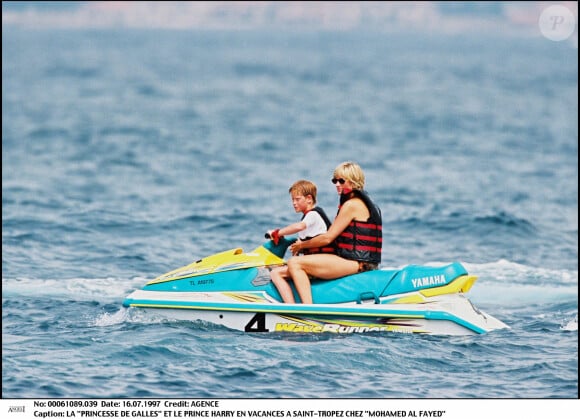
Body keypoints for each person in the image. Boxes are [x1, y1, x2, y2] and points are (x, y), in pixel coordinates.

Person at [286, 161, 382, 304]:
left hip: (358, 263)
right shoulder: (361, 202)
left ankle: (307, 310)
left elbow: (327, 238)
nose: (337, 184)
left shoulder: (351, 205)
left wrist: (302, 245)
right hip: (358, 261)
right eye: (334, 180)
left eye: (341, 181)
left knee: (295, 263)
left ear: (353, 181)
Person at [267, 180, 333, 303]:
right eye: (292, 200)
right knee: (279, 269)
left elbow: (299, 226)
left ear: (309, 199)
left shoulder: (313, 215)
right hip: (315, 262)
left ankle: (291, 308)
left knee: (276, 274)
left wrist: (277, 233)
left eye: (297, 199)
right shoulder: (310, 218)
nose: (294, 203)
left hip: (322, 262)